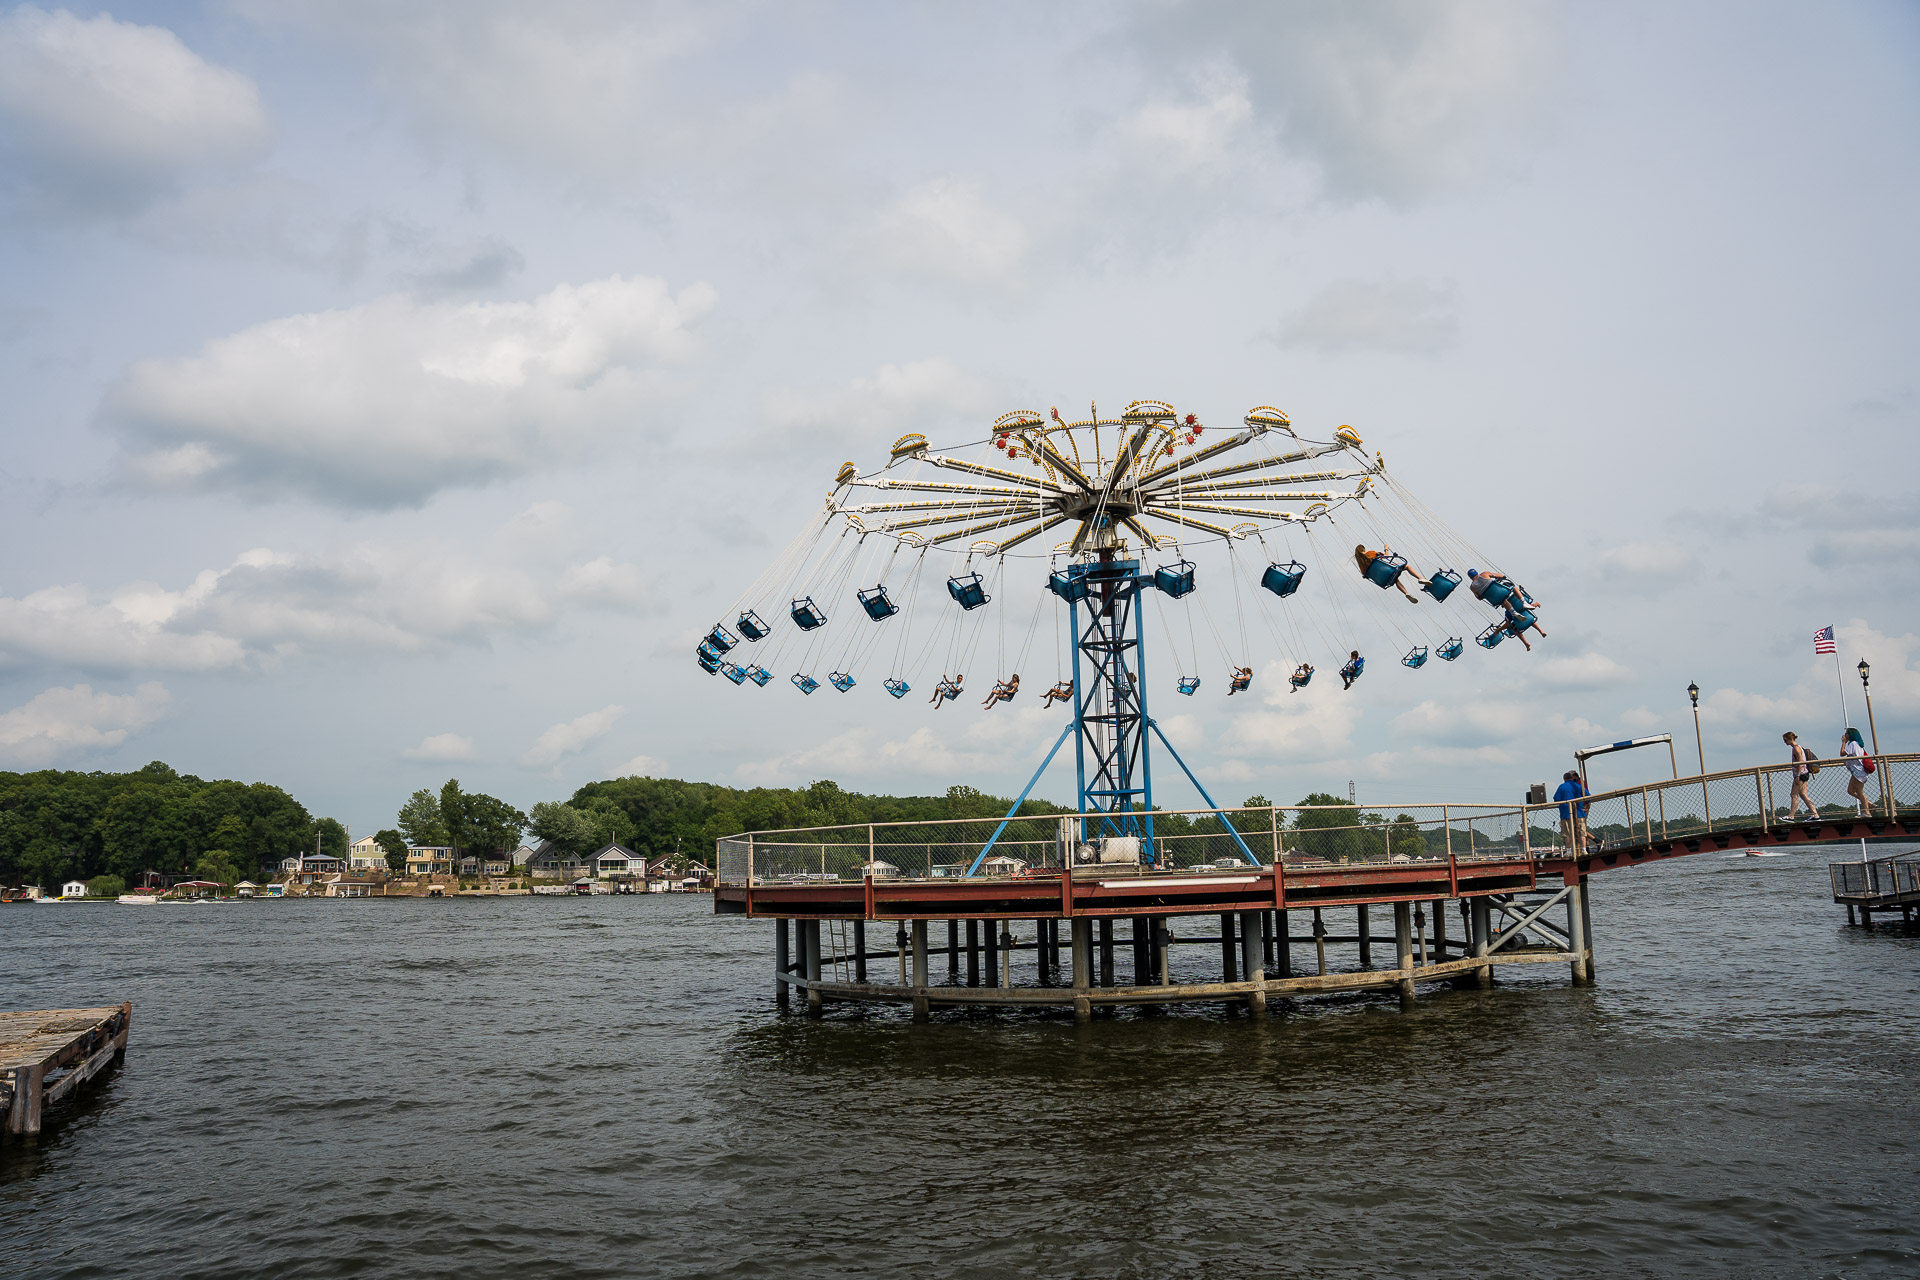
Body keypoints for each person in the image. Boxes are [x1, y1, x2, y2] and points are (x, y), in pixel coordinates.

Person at [1355, 543, 1429, 602]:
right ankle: (1420, 578)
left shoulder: (1361, 567)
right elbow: (1386, 556)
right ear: (1364, 549)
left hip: (1382, 579)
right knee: (1407, 566)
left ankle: (1406, 593)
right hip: (1387, 570)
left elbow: (1366, 576)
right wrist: (1386, 548)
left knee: (1395, 579)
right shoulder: (1370, 553)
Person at [1783, 731, 1817, 820]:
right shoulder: (1799, 747)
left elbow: (1800, 762)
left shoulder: (1796, 748)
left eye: (1785, 740)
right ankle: (1815, 814)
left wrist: (1797, 776)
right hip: (1804, 774)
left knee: (1794, 795)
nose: (1785, 742)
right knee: (1803, 795)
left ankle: (1791, 816)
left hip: (1801, 774)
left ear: (1791, 739)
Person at [1553, 770, 1590, 851]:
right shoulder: (1579, 786)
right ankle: (1584, 850)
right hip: (1579, 813)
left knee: (1567, 834)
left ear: (1564, 779)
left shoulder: (1561, 787)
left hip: (1566, 814)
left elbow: (1556, 799)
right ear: (1572, 778)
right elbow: (1588, 797)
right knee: (1582, 833)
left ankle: (1569, 851)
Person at [1841, 726, 1872, 816]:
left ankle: (1867, 812)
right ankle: (1869, 804)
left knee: (1860, 792)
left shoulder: (1853, 744)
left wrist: (1843, 742)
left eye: (1846, 733)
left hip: (1859, 772)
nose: (1845, 735)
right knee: (1850, 790)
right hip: (1857, 772)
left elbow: (1842, 753)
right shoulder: (1856, 744)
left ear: (1850, 735)